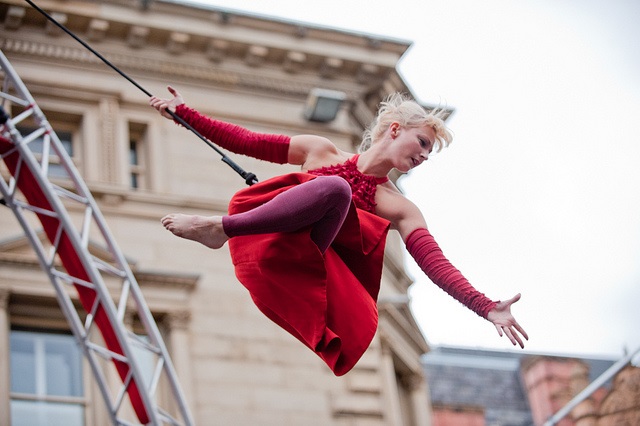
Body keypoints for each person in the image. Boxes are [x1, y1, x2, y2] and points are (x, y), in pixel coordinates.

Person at [149, 86, 528, 376]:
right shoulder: (320, 151)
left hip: (305, 270)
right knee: (334, 188)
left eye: (431, 152)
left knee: (335, 190)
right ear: (395, 129)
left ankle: (220, 229)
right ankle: (224, 229)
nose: (425, 156)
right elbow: (249, 141)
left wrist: (486, 306)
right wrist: (185, 114)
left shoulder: (401, 207)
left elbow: (435, 264)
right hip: (266, 248)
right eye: (424, 143)